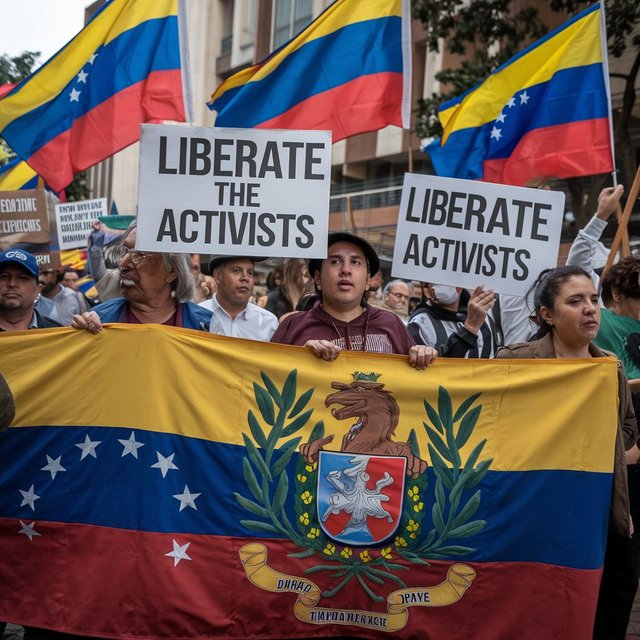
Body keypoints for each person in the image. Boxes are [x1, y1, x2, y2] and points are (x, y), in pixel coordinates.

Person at [496, 266, 638, 640]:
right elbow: (490, 424)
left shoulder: (610, 365)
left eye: (593, 299)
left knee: (610, 600)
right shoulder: (517, 361)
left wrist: (586, 441)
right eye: (575, 301)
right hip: (535, 513)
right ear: (548, 315)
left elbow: (627, 429)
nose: (591, 308)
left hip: (599, 510)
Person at [271, 231, 437, 370]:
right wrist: (300, 358)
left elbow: (416, 391)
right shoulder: (293, 326)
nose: (345, 270)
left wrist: (423, 357)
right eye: (335, 261)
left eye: (355, 262)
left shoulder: (391, 324)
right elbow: (265, 382)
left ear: (367, 280)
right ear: (318, 278)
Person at [72, 222, 211, 332]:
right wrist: (80, 338)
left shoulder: (205, 327)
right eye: (125, 251)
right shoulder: (98, 320)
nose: (123, 263)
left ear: (172, 270)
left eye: (139, 254)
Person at [408, 283, 499, 357]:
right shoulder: (419, 323)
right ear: (426, 290)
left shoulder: (484, 319)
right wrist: (470, 328)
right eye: (437, 280)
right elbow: (437, 369)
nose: (445, 283)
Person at [199, 256, 278, 341]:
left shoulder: (268, 323)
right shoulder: (195, 317)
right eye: (237, 270)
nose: (245, 278)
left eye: (250, 272)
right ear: (218, 276)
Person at [0, 249, 62, 332]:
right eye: (4, 276)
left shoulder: (56, 334)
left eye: (22, 278)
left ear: (38, 290)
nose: (12, 284)